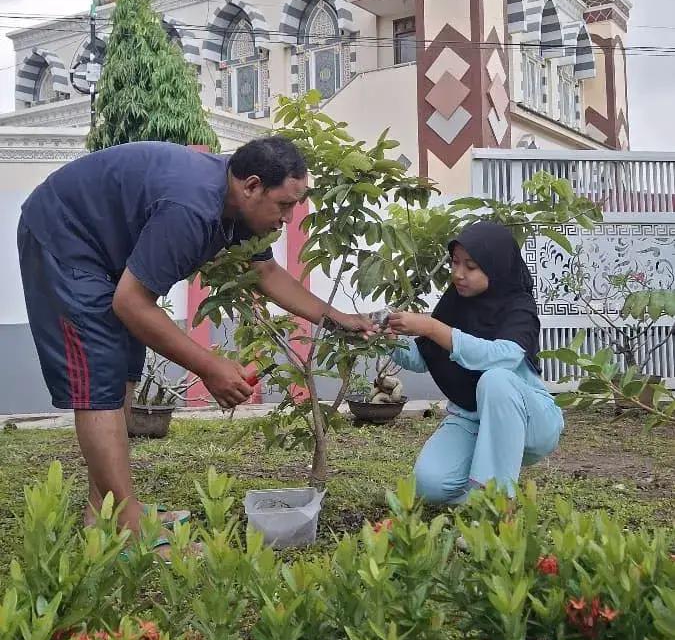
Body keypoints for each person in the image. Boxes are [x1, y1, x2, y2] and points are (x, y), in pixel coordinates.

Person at [18, 137, 373, 545]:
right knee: (99, 384)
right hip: (63, 239)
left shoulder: (236, 203)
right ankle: (131, 531)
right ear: (252, 186)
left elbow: (267, 274)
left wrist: (337, 319)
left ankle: (106, 513)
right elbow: (132, 305)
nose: (288, 219)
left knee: (118, 374)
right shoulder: (191, 208)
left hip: (104, 250)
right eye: (284, 205)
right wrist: (210, 367)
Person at [387, 221, 563, 505]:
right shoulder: (455, 302)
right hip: (471, 418)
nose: (458, 274)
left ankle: (498, 508)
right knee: (430, 485)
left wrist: (432, 328)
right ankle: (486, 491)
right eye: (455, 263)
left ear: (495, 267)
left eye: (471, 266)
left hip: (530, 422)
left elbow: (504, 357)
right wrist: (385, 338)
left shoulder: (519, 307)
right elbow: (424, 357)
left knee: (495, 379)